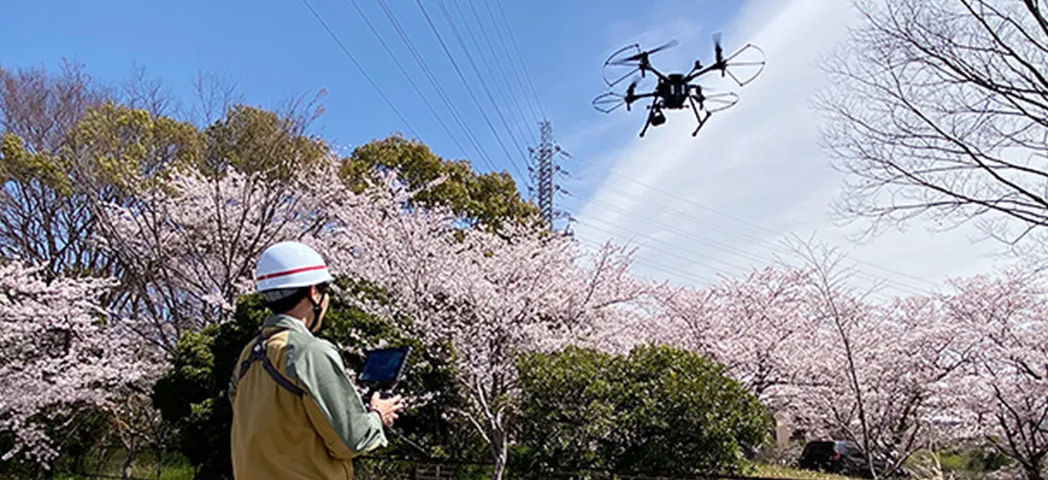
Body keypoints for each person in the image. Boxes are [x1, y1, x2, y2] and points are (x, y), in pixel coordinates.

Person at [229, 241, 404, 479]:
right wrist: (377, 416)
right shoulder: (309, 351)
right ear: (313, 292)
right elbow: (352, 440)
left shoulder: (247, 355)